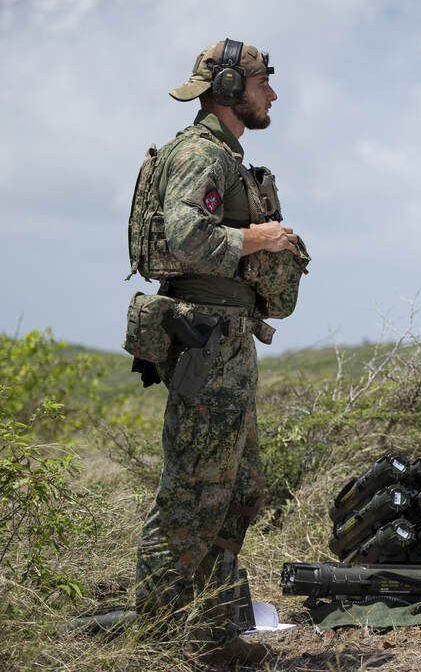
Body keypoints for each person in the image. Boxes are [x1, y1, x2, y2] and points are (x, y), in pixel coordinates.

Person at [125, 38, 307, 663]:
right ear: (230, 88)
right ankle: (161, 640)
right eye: (263, 83)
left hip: (228, 337)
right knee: (192, 494)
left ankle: (210, 629)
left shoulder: (224, 156)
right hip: (207, 338)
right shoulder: (203, 155)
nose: (272, 95)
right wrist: (258, 239)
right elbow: (186, 237)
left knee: (240, 490)